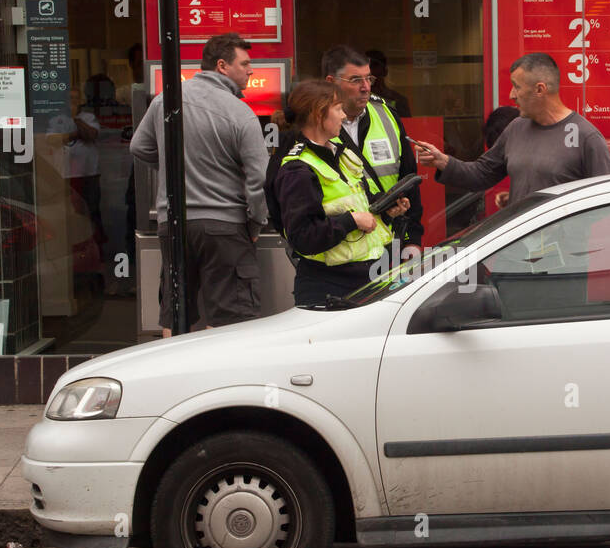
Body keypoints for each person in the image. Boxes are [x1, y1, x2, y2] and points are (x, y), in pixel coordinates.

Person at [130, 32, 268, 337]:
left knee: (175, 313)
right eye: (245, 63)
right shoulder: (240, 113)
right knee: (230, 316)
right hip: (225, 226)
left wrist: (174, 169)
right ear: (222, 65)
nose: (251, 70)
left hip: (174, 224)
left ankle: (177, 376)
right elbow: (259, 179)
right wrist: (256, 224)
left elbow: (139, 147)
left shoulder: (166, 99)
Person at [267, 80, 409, 306]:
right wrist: (352, 221)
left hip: (365, 281)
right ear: (318, 114)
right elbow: (304, 237)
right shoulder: (297, 169)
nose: (344, 115)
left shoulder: (340, 153)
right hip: (329, 288)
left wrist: (386, 210)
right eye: (338, 108)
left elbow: (355, 203)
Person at [416, 53, 610, 207]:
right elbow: (481, 173)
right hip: (519, 253)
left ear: (540, 89)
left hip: (564, 256)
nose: (511, 95)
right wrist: (442, 161)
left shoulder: (586, 137)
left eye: (516, 87)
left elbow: (604, 200)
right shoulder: (516, 129)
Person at [323, 45, 423, 260]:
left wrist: (412, 239)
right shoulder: (315, 126)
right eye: (356, 80)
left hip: (389, 242)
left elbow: (409, 178)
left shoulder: (385, 113)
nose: (366, 87)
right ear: (331, 82)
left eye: (369, 79)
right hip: (341, 252)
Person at [365, 49, 412, 119]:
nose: (371, 70)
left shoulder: (399, 101)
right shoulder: (358, 101)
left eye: (375, 65)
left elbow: (406, 126)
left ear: (385, 70)